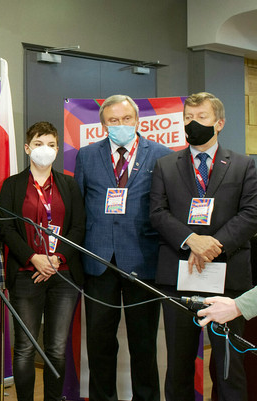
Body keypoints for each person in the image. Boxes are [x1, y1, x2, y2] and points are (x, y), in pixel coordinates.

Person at [150, 92, 257, 400]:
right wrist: (191, 241)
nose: (192, 123)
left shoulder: (243, 165)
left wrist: (214, 245)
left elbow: (251, 213)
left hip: (228, 277)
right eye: (188, 117)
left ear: (219, 123)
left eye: (201, 117)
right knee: (178, 366)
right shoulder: (165, 165)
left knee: (229, 366)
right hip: (179, 277)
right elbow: (157, 212)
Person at [74, 94, 172, 401]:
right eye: (113, 120)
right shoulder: (86, 156)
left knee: (144, 343)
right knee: (100, 342)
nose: (121, 125)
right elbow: (79, 208)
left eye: (126, 119)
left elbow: (166, 209)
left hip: (143, 260)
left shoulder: (162, 155)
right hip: (98, 260)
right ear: (103, 125)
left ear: (137, 120)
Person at [0, 121, 85, 401]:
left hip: (64, 275)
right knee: (25, 348)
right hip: (26, 274)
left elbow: (78, 228)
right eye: (38, 144)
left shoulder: (69, 185)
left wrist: (57, 259)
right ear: (27, 148)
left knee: (57, 349)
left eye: (50, 144)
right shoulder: (12, 185)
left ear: (57, 149)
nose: (44, 149)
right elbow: (6, 229)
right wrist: (33, 258)